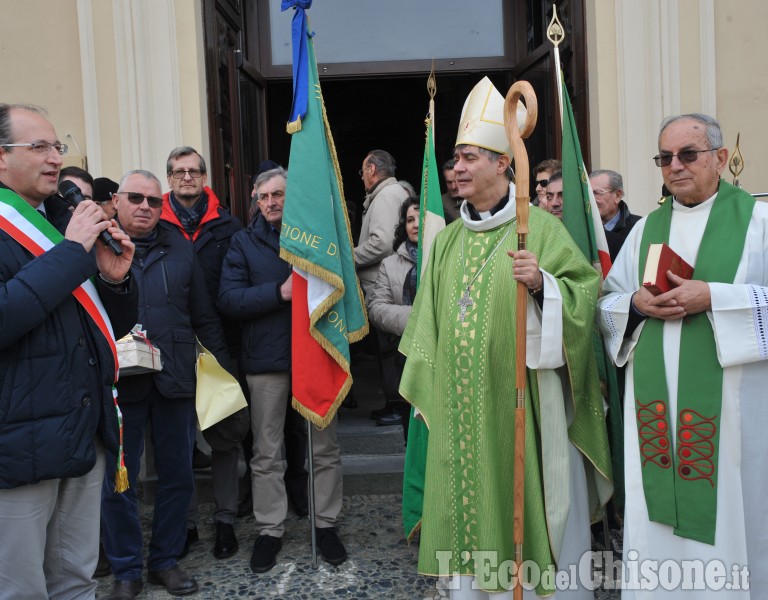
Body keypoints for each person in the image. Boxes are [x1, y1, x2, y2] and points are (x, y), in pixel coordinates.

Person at [398, 78, 612, 598]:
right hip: (461, 412)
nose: (459, 169)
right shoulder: (446, 242)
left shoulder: (539, 229)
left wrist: (544, 287)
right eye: (455, 158)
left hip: (527, 410)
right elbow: (426, 327)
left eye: (471, 157)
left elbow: (587, 296)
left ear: (502, 163)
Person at [597, 113, 768, 597]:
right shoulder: (649, 226)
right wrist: (635, 303)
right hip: (656, 412)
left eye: (687, 155)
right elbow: (609, 300)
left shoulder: (758, 221)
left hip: (734, 415)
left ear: (718, 158)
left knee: (736, 513)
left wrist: (713, 297)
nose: (675, 166)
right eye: (664, 158)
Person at [0, 103, 137, 599]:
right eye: (38, 146)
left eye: (57, 146)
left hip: (81, 433)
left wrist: (117, 284)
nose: (54, 158)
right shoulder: (59, 236)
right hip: (18, 446)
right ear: (1, 158)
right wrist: (72, 252)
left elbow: (103, 327)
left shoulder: (62, 221)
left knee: (76, 582)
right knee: (21, 590)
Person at [101, 169, 231, 600]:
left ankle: (164, 561)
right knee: (120, 480)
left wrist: (224, 372)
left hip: (174, 376)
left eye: (154, 201)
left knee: (178, 475)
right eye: (135, 198)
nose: (145, 207)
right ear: (117, 201)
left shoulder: (180, 247)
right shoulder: (95, 246)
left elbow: (203, 314)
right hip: (120, 381)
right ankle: (125, 569)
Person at [218, 167, 347, 574]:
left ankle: (325, 525)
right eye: (264, 196)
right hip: (267, 362)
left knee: (324, 449)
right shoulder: (242, 242)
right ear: (255, 201)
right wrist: (279, 293)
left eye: (279, 194)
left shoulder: (319, 237)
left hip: (317, 354)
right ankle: (270, 530)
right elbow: (229, 299)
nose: (272, 202)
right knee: (266, 452)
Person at [159, 146, 244, 560]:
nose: (187, 177)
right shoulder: (153, 225)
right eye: (179, 171)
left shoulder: (229, 226)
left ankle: (226, 519)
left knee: (224, 436)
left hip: (219, 342)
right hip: (169, 345)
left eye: (194, 171)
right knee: (179, 441)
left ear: (204, 178)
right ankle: (186, 523)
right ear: (169, 179)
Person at [367, 195, 419, 436]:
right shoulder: (390, 264)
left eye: (421, 218)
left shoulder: (450, 259)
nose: (415, 225)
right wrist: (417, 317)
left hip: (443, 355)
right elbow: (376, 307)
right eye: (410, 219)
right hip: (405, 354)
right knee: (411, 432)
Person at [354, 148, 408, 296]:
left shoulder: (386, 196)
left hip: (376, 284)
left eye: (362, 172)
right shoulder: (396, 192)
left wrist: (349, 257)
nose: (362, 177)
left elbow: (382, 244)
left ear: (371, 169)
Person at [589, 168, 641, 259]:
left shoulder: (639, 227)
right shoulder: (583, 229)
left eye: (596, 193)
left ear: (617, 195)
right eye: (588, 194)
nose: (590, 200)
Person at [441, 159, 461, 224]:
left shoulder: (475, 199)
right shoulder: (440, 203)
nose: (453, 187)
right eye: (449, 182)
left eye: (457, 181)